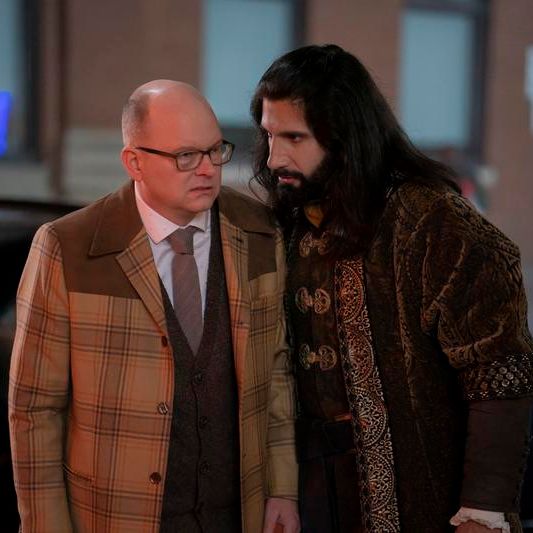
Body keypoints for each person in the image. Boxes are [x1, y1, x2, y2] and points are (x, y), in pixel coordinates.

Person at [250, 44, 533, 533]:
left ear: (344, 136)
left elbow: (500, 377)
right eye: (269, 135)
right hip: (310, 493)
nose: (275, 157)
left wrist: (482, 515)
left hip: (421, 497)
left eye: (295, 137)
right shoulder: (287, 224)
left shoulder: (432, 221)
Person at [9, 80, 299, 532]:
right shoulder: (68, 247)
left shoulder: (260, 232)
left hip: (238, 514)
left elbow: (276, 373)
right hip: (118, 517)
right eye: (185, 156)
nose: (207, 170)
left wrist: (282, 488)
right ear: (134, 162)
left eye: (215, 150)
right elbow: (34, 409)